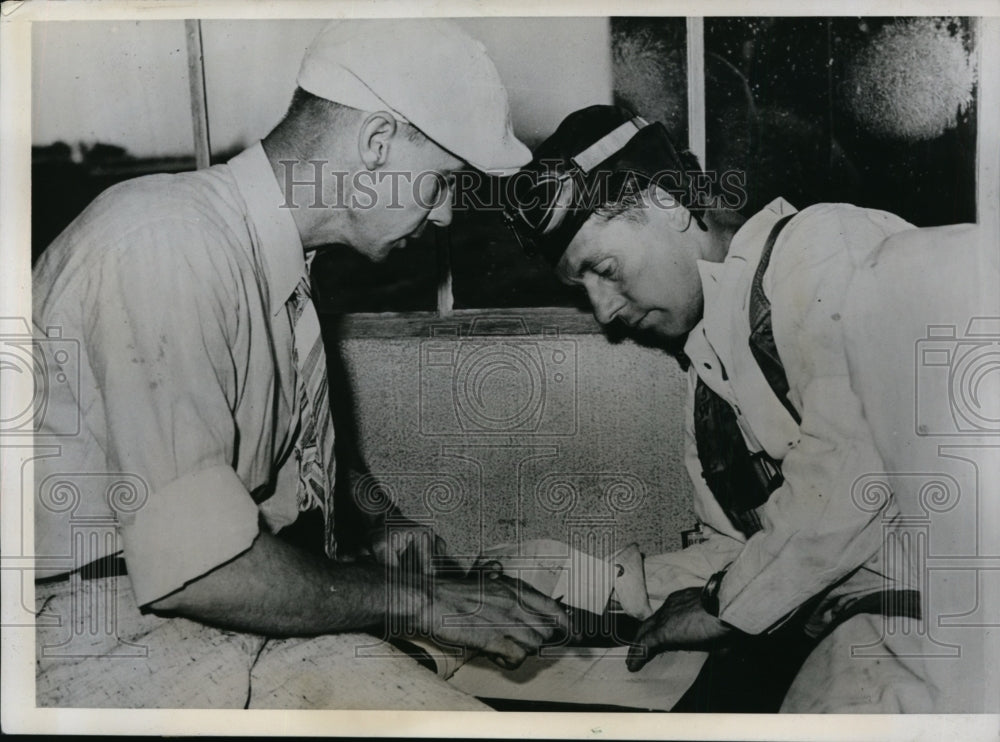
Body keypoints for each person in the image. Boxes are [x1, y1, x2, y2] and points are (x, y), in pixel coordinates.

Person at [32, 19, 567, 709]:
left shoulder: (284, 278)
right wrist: (419, 603)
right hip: (89, 637)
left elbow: (283, 476)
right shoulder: (166, 242)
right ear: (376, 143)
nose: (442, 219)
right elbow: (198, 569)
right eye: (441, 184)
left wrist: (381, 522)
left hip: (193, 624)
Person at [502, 104, 998, 712]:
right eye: (584, 291)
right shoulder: (708, 374)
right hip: (873, 627)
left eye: (603, 270)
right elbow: (740, 551)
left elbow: (850, 475)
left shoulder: (823, 248)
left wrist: (719, 606)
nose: (604, 311)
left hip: (962, 623)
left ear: (665, 202)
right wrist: (576, 582)